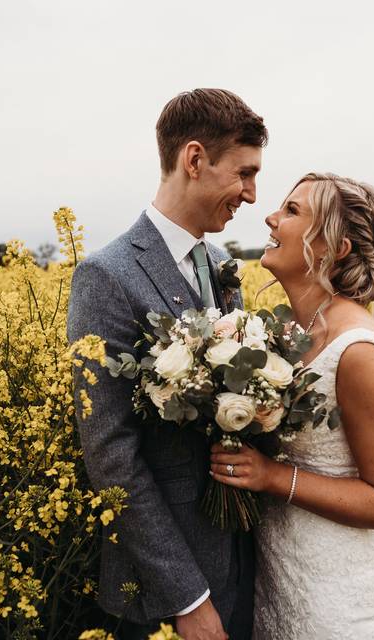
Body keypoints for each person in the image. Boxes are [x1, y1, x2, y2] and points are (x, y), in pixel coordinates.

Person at [67, 89, 267, 640]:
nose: (252, 195)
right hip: (167, 592)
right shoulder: (105, 276)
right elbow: (110, 455)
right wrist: (188, 597)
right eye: (244, 174)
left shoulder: (224, 265)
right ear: (195, 159)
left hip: (241, 559)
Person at [210, 173, 374, 639]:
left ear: (335, 247)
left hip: (338, 604)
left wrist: (271, 476)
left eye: (292, 211)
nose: (271, 217)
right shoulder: (292, 334)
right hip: (281, 583)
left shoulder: (357, 351)